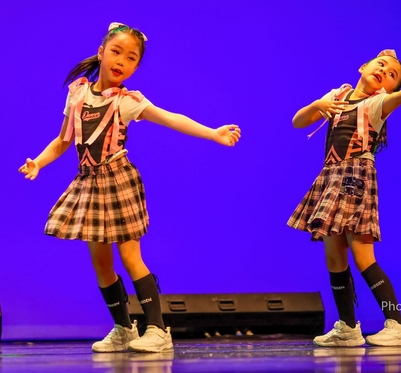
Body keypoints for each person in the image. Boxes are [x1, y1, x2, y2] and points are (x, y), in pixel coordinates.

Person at [19, 22, 241, 353]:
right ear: (101, 53)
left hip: (118, 180)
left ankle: (158, 330)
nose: (121, 61)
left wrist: (212, 133)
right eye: (116, 52)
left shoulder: (127, 102)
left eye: (131, 58)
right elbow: (64, 139)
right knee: (101, 263)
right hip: (89, 183)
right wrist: (38, 162)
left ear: (136, 67)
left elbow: (170, 118)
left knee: (130, 255)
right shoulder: (78, 93)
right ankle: (123, 328)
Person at [288, 49, 401, 347]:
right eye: (381, 65)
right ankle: (348, 328)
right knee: (334, 256)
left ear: (389, 87)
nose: (384, 72)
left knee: (363, 255)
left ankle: (398, 325)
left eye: (391, 75)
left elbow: (399, 98)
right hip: (331, 175)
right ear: (363, 66)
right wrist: (318, 105)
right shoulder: (339, 95)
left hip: (355, 177)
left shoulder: (377, 103)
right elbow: (298, 122)